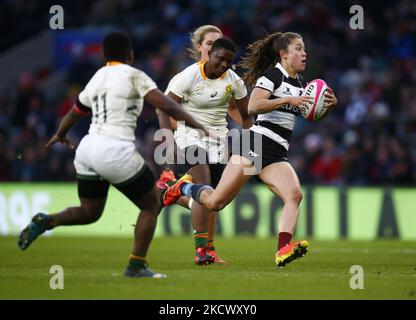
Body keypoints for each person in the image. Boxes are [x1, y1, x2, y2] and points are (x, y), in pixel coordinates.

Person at [17, 31, 207, 278]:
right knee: (151, 204)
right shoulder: (135, 75)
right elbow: (168, 105)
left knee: (90, 212)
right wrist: (197, 125)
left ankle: (47, 220)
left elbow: (76, 110)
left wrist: (60, 133)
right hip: (115, 150)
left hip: (87, 150)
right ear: (131, 54)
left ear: (104, 54)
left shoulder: (98, 77)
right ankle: (136, 265)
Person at [163, 32, 338, 267]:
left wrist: (327, 105)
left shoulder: (300, 85)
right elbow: (254, 105)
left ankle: (283, 249)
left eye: (304, 49)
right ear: (284, 54)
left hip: (276, 151)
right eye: (298, 48)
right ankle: (179, 186)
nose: (304, 53)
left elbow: (309, 113)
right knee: (215, 202)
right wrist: (286, 101)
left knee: (294, 195)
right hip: (255, 144)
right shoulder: (273, 76)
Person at [157, 35, 252, 265]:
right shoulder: (189, 76)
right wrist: (168, 139)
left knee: (215, 199)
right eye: (220, 59)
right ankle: (202, 250)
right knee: (205, 186)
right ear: (209, 54)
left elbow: (246, 117)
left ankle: (173, 188)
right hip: (189, 137)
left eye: (228, 61)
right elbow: (163, 106)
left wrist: (251, 143)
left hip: (218, 141)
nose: (223, 65)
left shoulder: (234, 81)